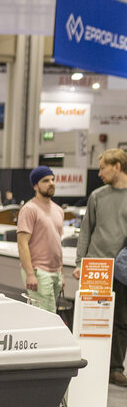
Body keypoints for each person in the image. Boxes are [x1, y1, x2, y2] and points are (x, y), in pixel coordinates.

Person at [74, 148, 127, 386]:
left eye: (103, 167)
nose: (99, 173)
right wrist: (79, 263)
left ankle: (115, 369)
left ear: (117, 167)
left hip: (122, 270)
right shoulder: (97, 196)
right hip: (96, 267)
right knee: (91, 321)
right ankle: (89, 364)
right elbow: (86, 231)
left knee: (122, 321)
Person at [16, 166, 65, 314]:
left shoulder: (58, 210)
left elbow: (57, 243)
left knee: (50, 313)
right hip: (38, 271)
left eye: (52, 179)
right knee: (47, 314)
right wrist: (30, 274)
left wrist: (61, 274)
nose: (51, 183)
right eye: (45, 180)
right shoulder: (29, 209)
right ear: (35, 186)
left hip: (56, 272)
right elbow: (22, 243)